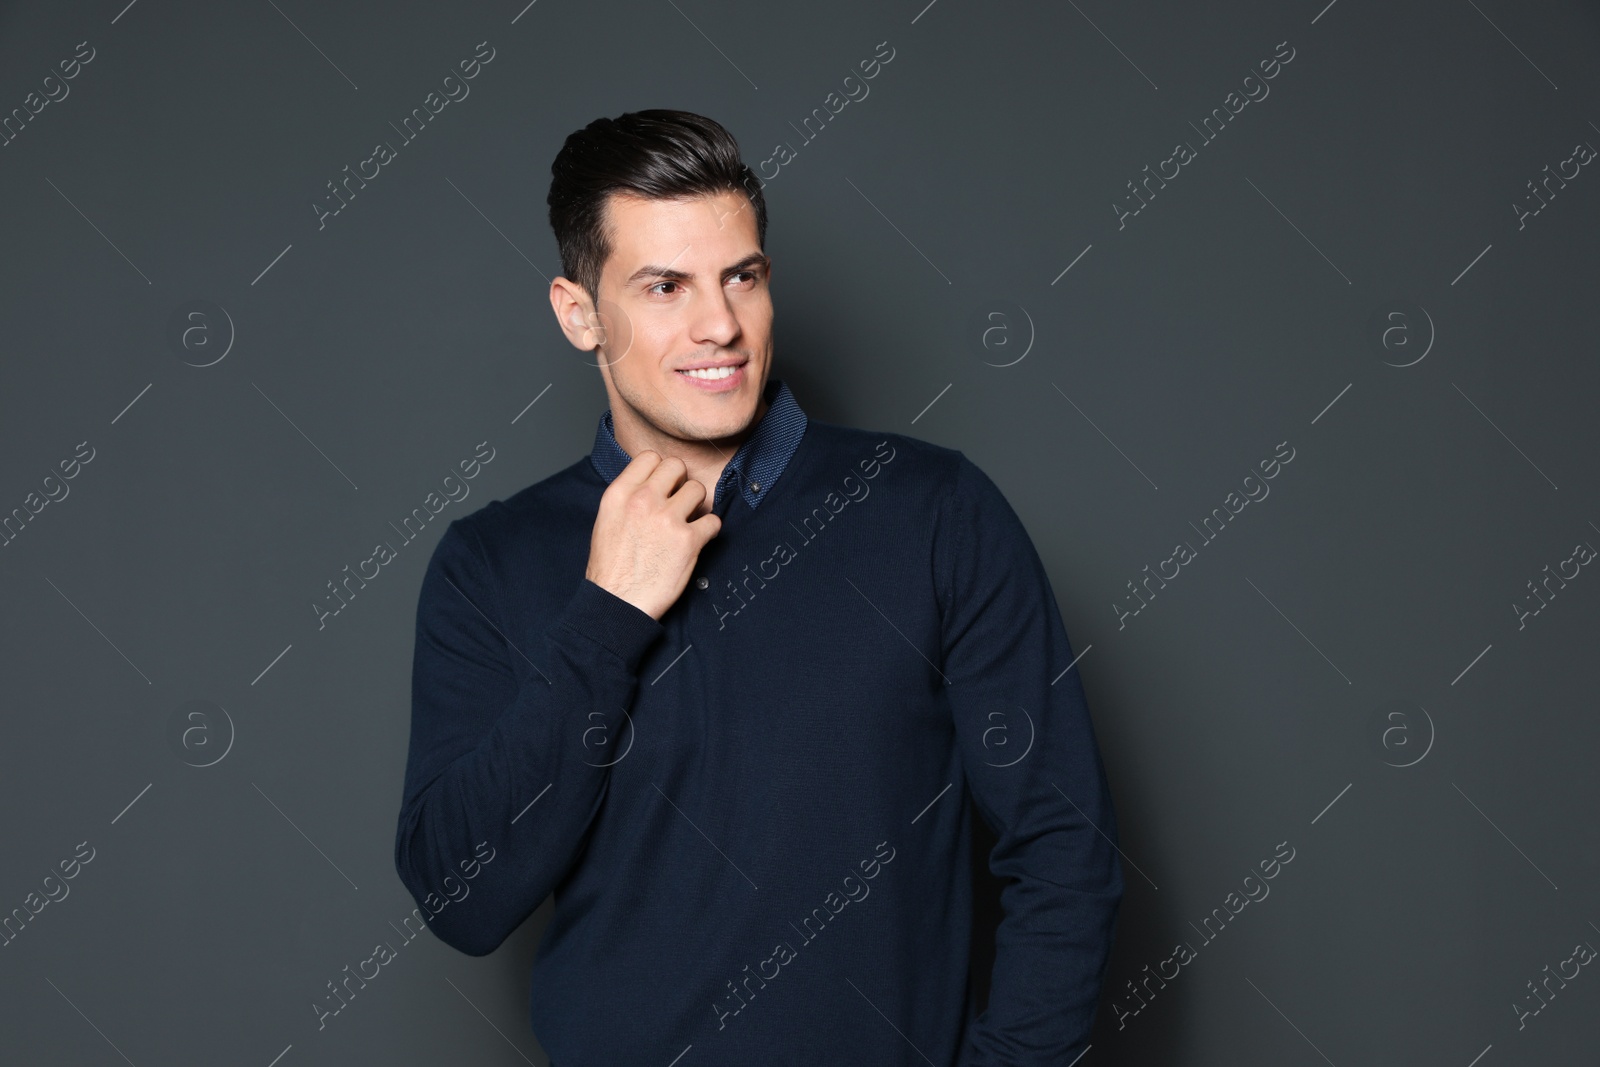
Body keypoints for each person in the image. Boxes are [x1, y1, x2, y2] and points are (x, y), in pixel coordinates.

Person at [393, 108, 1124, 1066]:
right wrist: (607, 617)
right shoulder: (492, 563)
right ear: (580, 315)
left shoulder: (934, 512)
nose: (720, 325)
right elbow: (463, 899)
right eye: (665, 286)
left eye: (743, 276)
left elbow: (1064, 851)